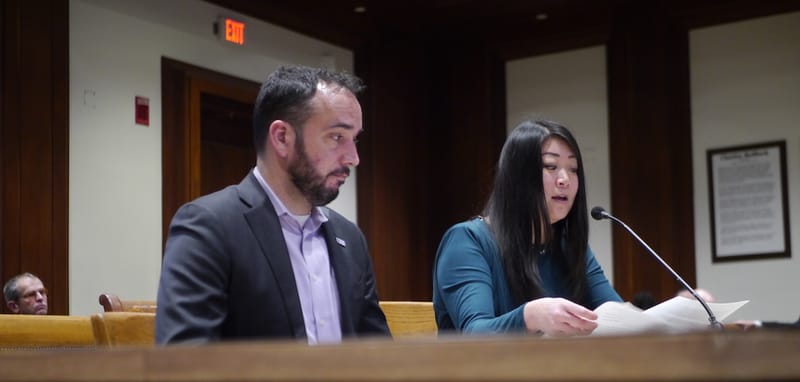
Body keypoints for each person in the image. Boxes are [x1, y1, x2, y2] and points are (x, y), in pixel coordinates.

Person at [155, 66, 389, 344]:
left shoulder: (350, 238)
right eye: (337, 137)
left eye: (355, 140)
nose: (353, 158)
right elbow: (185, 361)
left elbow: (377, 353)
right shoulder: (210, 227)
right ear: (282, 138)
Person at [433, 119, 622, 337]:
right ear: (518, 176)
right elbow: (475, 332)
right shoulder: (467, 241)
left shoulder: (570, 248)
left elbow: (614, 317)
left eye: (573, 169)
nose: (565, 180)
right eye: (551, 167)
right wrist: (531, 316)